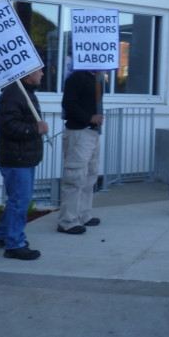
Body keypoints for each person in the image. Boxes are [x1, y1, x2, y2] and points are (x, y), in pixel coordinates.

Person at [0, 69, 48, 260]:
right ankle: (14, 244)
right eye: (39, 70)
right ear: (28, 74)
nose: (42, 73)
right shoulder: (13, 95)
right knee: (20, 201)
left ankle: (1, 235)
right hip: (16, 159)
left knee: (17, 199)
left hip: (23, 157)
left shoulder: (25, 93)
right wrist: (36, 129)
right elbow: (7, 126)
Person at [59, 69, 104, 234]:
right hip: (79, 133)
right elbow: (68, 103)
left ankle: (83, 214)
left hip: (92, 133)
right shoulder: (77, 77)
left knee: (90, 175)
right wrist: (88, 118)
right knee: (75, 177)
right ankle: (67, 221)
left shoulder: (98, 78)